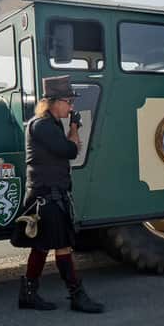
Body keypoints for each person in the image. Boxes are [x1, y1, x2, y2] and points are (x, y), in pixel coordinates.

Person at [16, 75, 104, 313]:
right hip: (48, 195)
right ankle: (76, 296)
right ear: (54, 101)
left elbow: (61, 151)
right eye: (68, 101)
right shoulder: (42, 125)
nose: (71, 106)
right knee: (61, 246)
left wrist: (69, 130)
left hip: (49, 194)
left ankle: (29, 294)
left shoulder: (50, 124)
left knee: (43, 246)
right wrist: (74, 129)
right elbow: (70, 150)